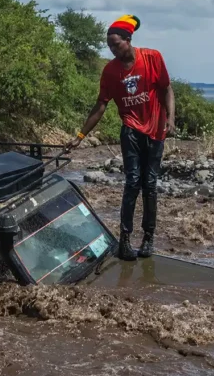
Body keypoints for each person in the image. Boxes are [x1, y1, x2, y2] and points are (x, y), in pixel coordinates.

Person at [65, 14, 175, 260]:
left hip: (156, 131)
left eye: (116, 44)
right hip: (131, 130)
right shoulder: (110, 71)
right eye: (109, 46)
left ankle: (148, 239)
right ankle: (125, 240)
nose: (113, 49)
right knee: (132, 182)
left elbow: (167, 89)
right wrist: (80, 136)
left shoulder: (152, 58)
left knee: (150, 185)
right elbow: (100, 106)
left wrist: (171, 118)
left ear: (128, 39)